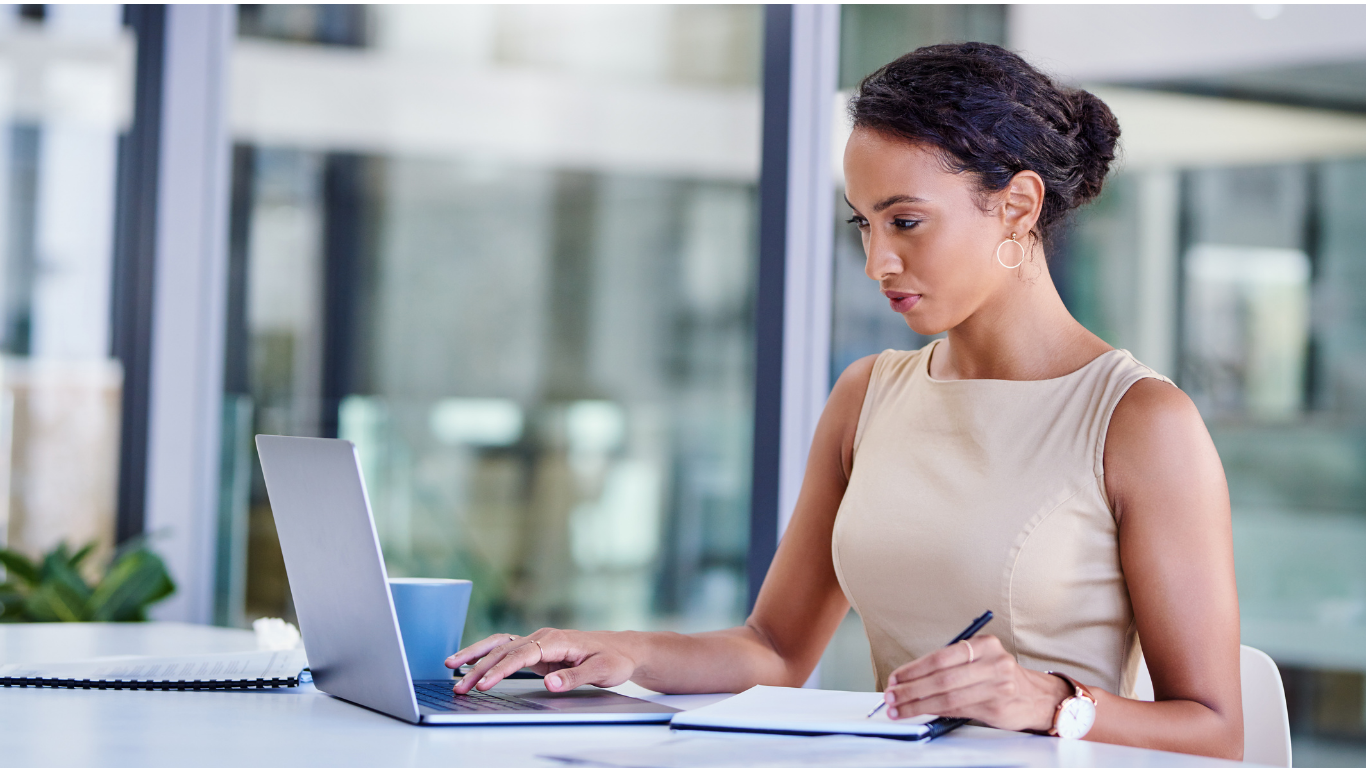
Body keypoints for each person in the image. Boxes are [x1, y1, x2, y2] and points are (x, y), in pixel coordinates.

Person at [447, 42, 1243, 759]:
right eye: (862, 223)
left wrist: (1051, 704)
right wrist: (620, 652)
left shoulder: (1140, 422)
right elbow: (775, 648)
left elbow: (1215, 729)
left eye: (906, 221)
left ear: (1019, 206)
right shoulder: (868, 395)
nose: (877, 262)